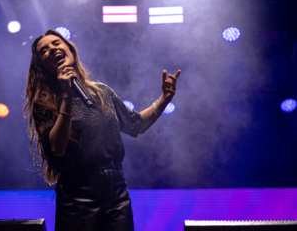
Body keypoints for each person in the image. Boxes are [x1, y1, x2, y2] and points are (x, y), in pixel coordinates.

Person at [23, 29, 180, 231]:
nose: (52, 49)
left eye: (56, 43)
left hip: (116, 188)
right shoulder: (45, 101)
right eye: (44, 50)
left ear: (70, 50)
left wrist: (164, 100)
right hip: (77, 193)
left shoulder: (101, 91)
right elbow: (58, 148)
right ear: (42, 66)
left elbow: (136, 125)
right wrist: (67, 96)